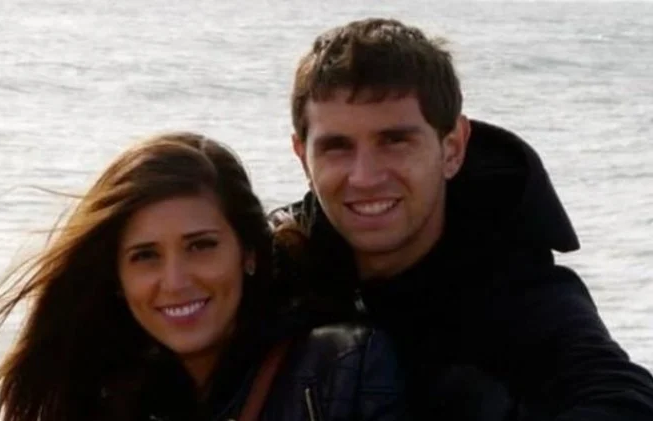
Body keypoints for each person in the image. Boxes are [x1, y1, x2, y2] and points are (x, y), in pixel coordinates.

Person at [271, 17, 653, 420]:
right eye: (337, 147)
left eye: (395, 141)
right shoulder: (271, 269)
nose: (365, 177)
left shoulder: (516, 293)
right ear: (303, 158)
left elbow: (625, 401)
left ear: (452, 148)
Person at [0, 132, 409, 421]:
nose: (176, 280)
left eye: (201, 246)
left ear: (248, 252)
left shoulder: (340, 368)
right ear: (117, 277)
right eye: (145, 256)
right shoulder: (108, 393)